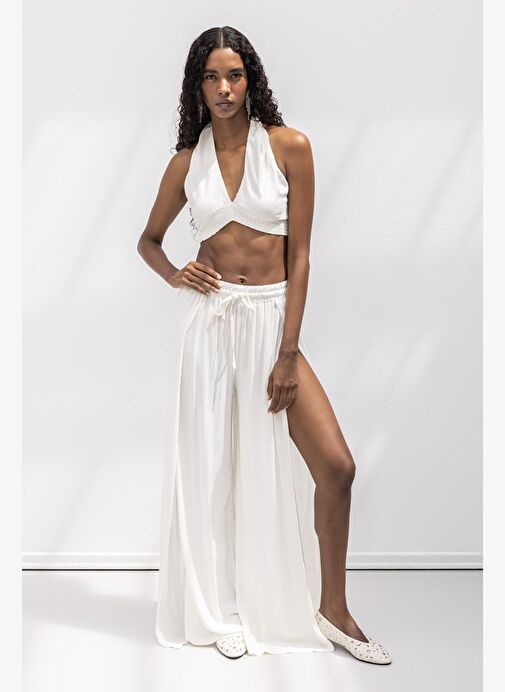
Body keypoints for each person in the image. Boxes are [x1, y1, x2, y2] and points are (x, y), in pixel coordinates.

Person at [137, 26, 391, 664]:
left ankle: (334, 610)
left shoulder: (288, 147)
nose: (224, 89)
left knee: (336, 467)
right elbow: (148, 240)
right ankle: (215, 611)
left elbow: (300, 256)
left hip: (272, 323)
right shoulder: (185, 162)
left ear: (251, 79)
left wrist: (286, 353)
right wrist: (175, 274)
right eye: (211, 78)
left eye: (234, 75)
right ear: (196, 87)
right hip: (209, 323)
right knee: (211, 473)